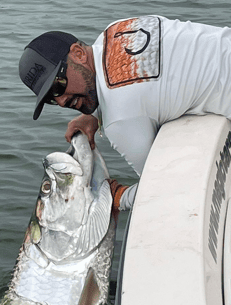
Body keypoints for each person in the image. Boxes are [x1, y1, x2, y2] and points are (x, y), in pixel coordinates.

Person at [18, 15, 231, 211]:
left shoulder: (119, 120)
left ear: (78, 54)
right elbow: (140, 86)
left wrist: (118, 198)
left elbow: (166, 186)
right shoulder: (116, 30)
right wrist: (96, 116)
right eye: (51, 100)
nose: (62, 101)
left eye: (58, 85)